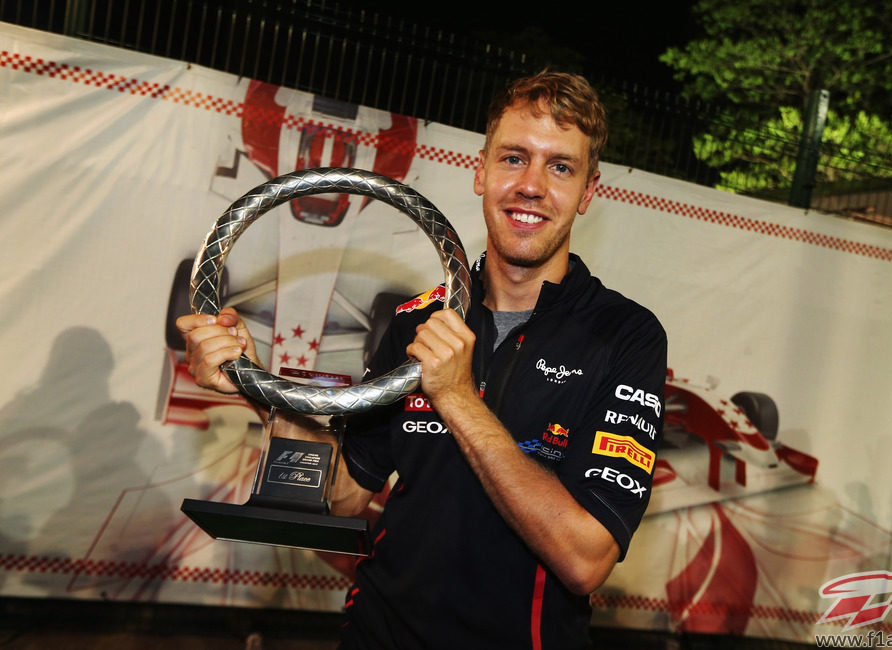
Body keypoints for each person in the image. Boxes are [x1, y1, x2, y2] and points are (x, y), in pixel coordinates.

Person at [177, 71, 666, 649]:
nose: (531, 185)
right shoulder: (417, 320)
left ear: (587, 191)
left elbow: (585, 559)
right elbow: (345, 495)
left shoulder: (626, 335)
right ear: (480, 171)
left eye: (560, 166)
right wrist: (263, 391)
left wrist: (457, 396)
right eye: (513, 158)